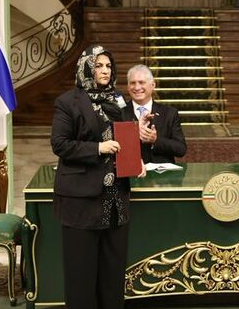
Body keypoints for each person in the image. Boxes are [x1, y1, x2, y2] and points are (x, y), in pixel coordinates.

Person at [51, 45, 146, 309]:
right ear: (86, 68)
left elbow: (126, 137)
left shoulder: (119, 100)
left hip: (115, 199)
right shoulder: (68, 102)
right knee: (81, 273)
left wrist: (136, 159)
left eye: (108, 66)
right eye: (99, 65)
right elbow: (59, 144)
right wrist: (97, 148)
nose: (105, 71)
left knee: (112, 271)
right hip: (81, 200)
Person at [122, 64, 187, 163]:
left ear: (153, 85)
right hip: (129, 174)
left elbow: (181, 149)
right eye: (132, 83)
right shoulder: (119, 112)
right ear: (127, 87)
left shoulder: (169, 113)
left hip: (162, 176)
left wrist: (156, 140)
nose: (137, 87)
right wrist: (134, 130)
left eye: (141, 82)